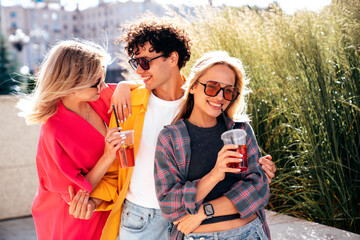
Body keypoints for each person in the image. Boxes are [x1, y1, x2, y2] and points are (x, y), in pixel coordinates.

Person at [70, 17, 276, 240]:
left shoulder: (205, 101)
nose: (139, 70)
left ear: (172, 58)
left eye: (146, 62)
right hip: (142, 218)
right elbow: (117, 171)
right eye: (136, 62)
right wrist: (94, 199)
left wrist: (259, 169)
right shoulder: (127, 105)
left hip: (193, 218)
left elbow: (229, 157)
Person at [154, 51, 270, 240]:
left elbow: (258, 188)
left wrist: (204, 212)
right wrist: (215, 174)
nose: (220, 97)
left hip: (249, 233)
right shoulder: (171, 138)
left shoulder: (241, 130)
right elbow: (170, 206)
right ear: (192, 87)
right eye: (212, 87)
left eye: (228, 90)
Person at [18, 40, 124, 240]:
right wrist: (108, 156)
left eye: (103, 78)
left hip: (103, 205)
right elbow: (78, 194)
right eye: (95, 82)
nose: (103, 85)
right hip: (73, 217)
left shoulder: (98, 96)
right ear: (72, 85)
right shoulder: (54, 129)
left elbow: (137, 92)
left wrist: (125, 85)